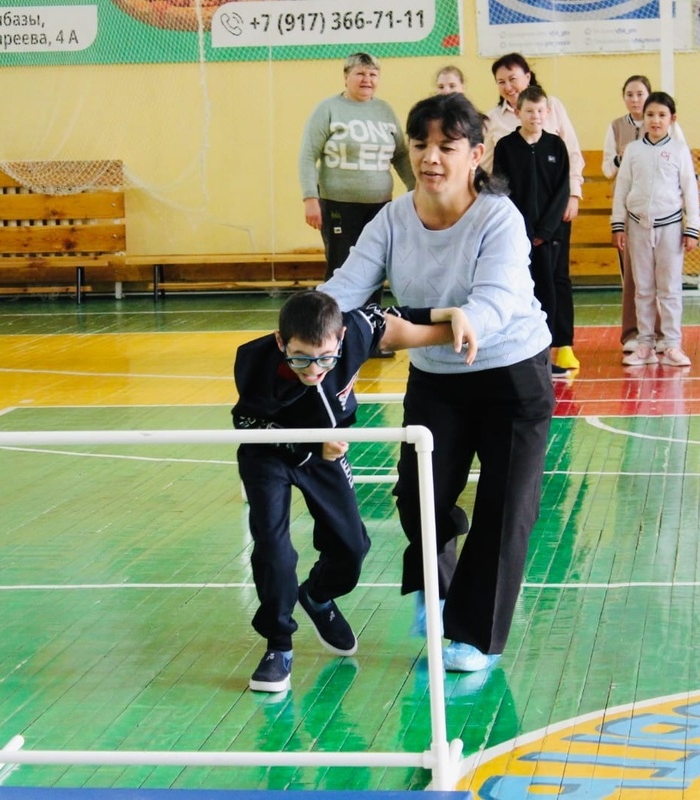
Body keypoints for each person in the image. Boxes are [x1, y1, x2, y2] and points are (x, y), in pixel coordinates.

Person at [320, 92, 556, 674]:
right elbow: (346, 287)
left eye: (447, 146)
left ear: (476, 154)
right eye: (421, 144)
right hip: (438, 381)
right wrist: (307, 322)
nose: (431, 157)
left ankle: (475, 636)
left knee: (506, 507)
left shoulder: (500, 218)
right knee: (418, 498)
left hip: (511, 375)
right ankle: (439, 583)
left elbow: (493, 304)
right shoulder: (393, 219)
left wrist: (409, 334)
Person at [232, 290, 476, 694]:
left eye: (325, 358)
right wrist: (312, 444)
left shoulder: (358, 330)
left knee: (351, 547)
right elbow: (247, 423)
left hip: (327, 454)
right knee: (274, 549)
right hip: (269, 456)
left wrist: (448, 313)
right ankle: (279, 644)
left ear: (341, 338)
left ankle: (318, 595)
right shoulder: (254, 361)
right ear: (280, 342)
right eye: (300, 358)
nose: (314, 370)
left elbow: (394, 313)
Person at [298, 51, 416, 356]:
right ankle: (332, 339)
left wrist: (418, 191)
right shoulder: (329, 109)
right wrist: (310, 198)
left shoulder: (384, 111)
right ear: (346, 76)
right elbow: (308, 155)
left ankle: (369, 339)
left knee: (375, 270)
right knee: (342, 270)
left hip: (380, 206)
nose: (367, 80)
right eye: (360, 74)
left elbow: (401, 156)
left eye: (373, 74)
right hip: (338, 205)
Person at [481, 52, 584, 374]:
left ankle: (562, 344)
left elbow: (571, 156)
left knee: (557, 279)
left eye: (513, 78)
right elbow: (490, 170)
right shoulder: (495, 123)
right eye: (501, 81)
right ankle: (523, 349)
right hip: (517, 222)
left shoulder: (553, 110)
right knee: (520, 282)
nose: (508, 86)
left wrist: (574, 194)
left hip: (555, 218)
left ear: (527, 77)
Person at [610, 92, 700, 369]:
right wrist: (618, 224)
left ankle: (672, 344)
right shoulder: (633, 150)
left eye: (662, 115)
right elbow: (622, 187)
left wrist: (692, 227)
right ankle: (645, 344)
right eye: (650, 115)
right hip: (638, 227)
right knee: (643, 289)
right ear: (644, 119)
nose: (655, 120)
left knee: (670, 289)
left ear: (672, 119)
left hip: (670, 228)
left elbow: (690, 188)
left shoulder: (679, 150)